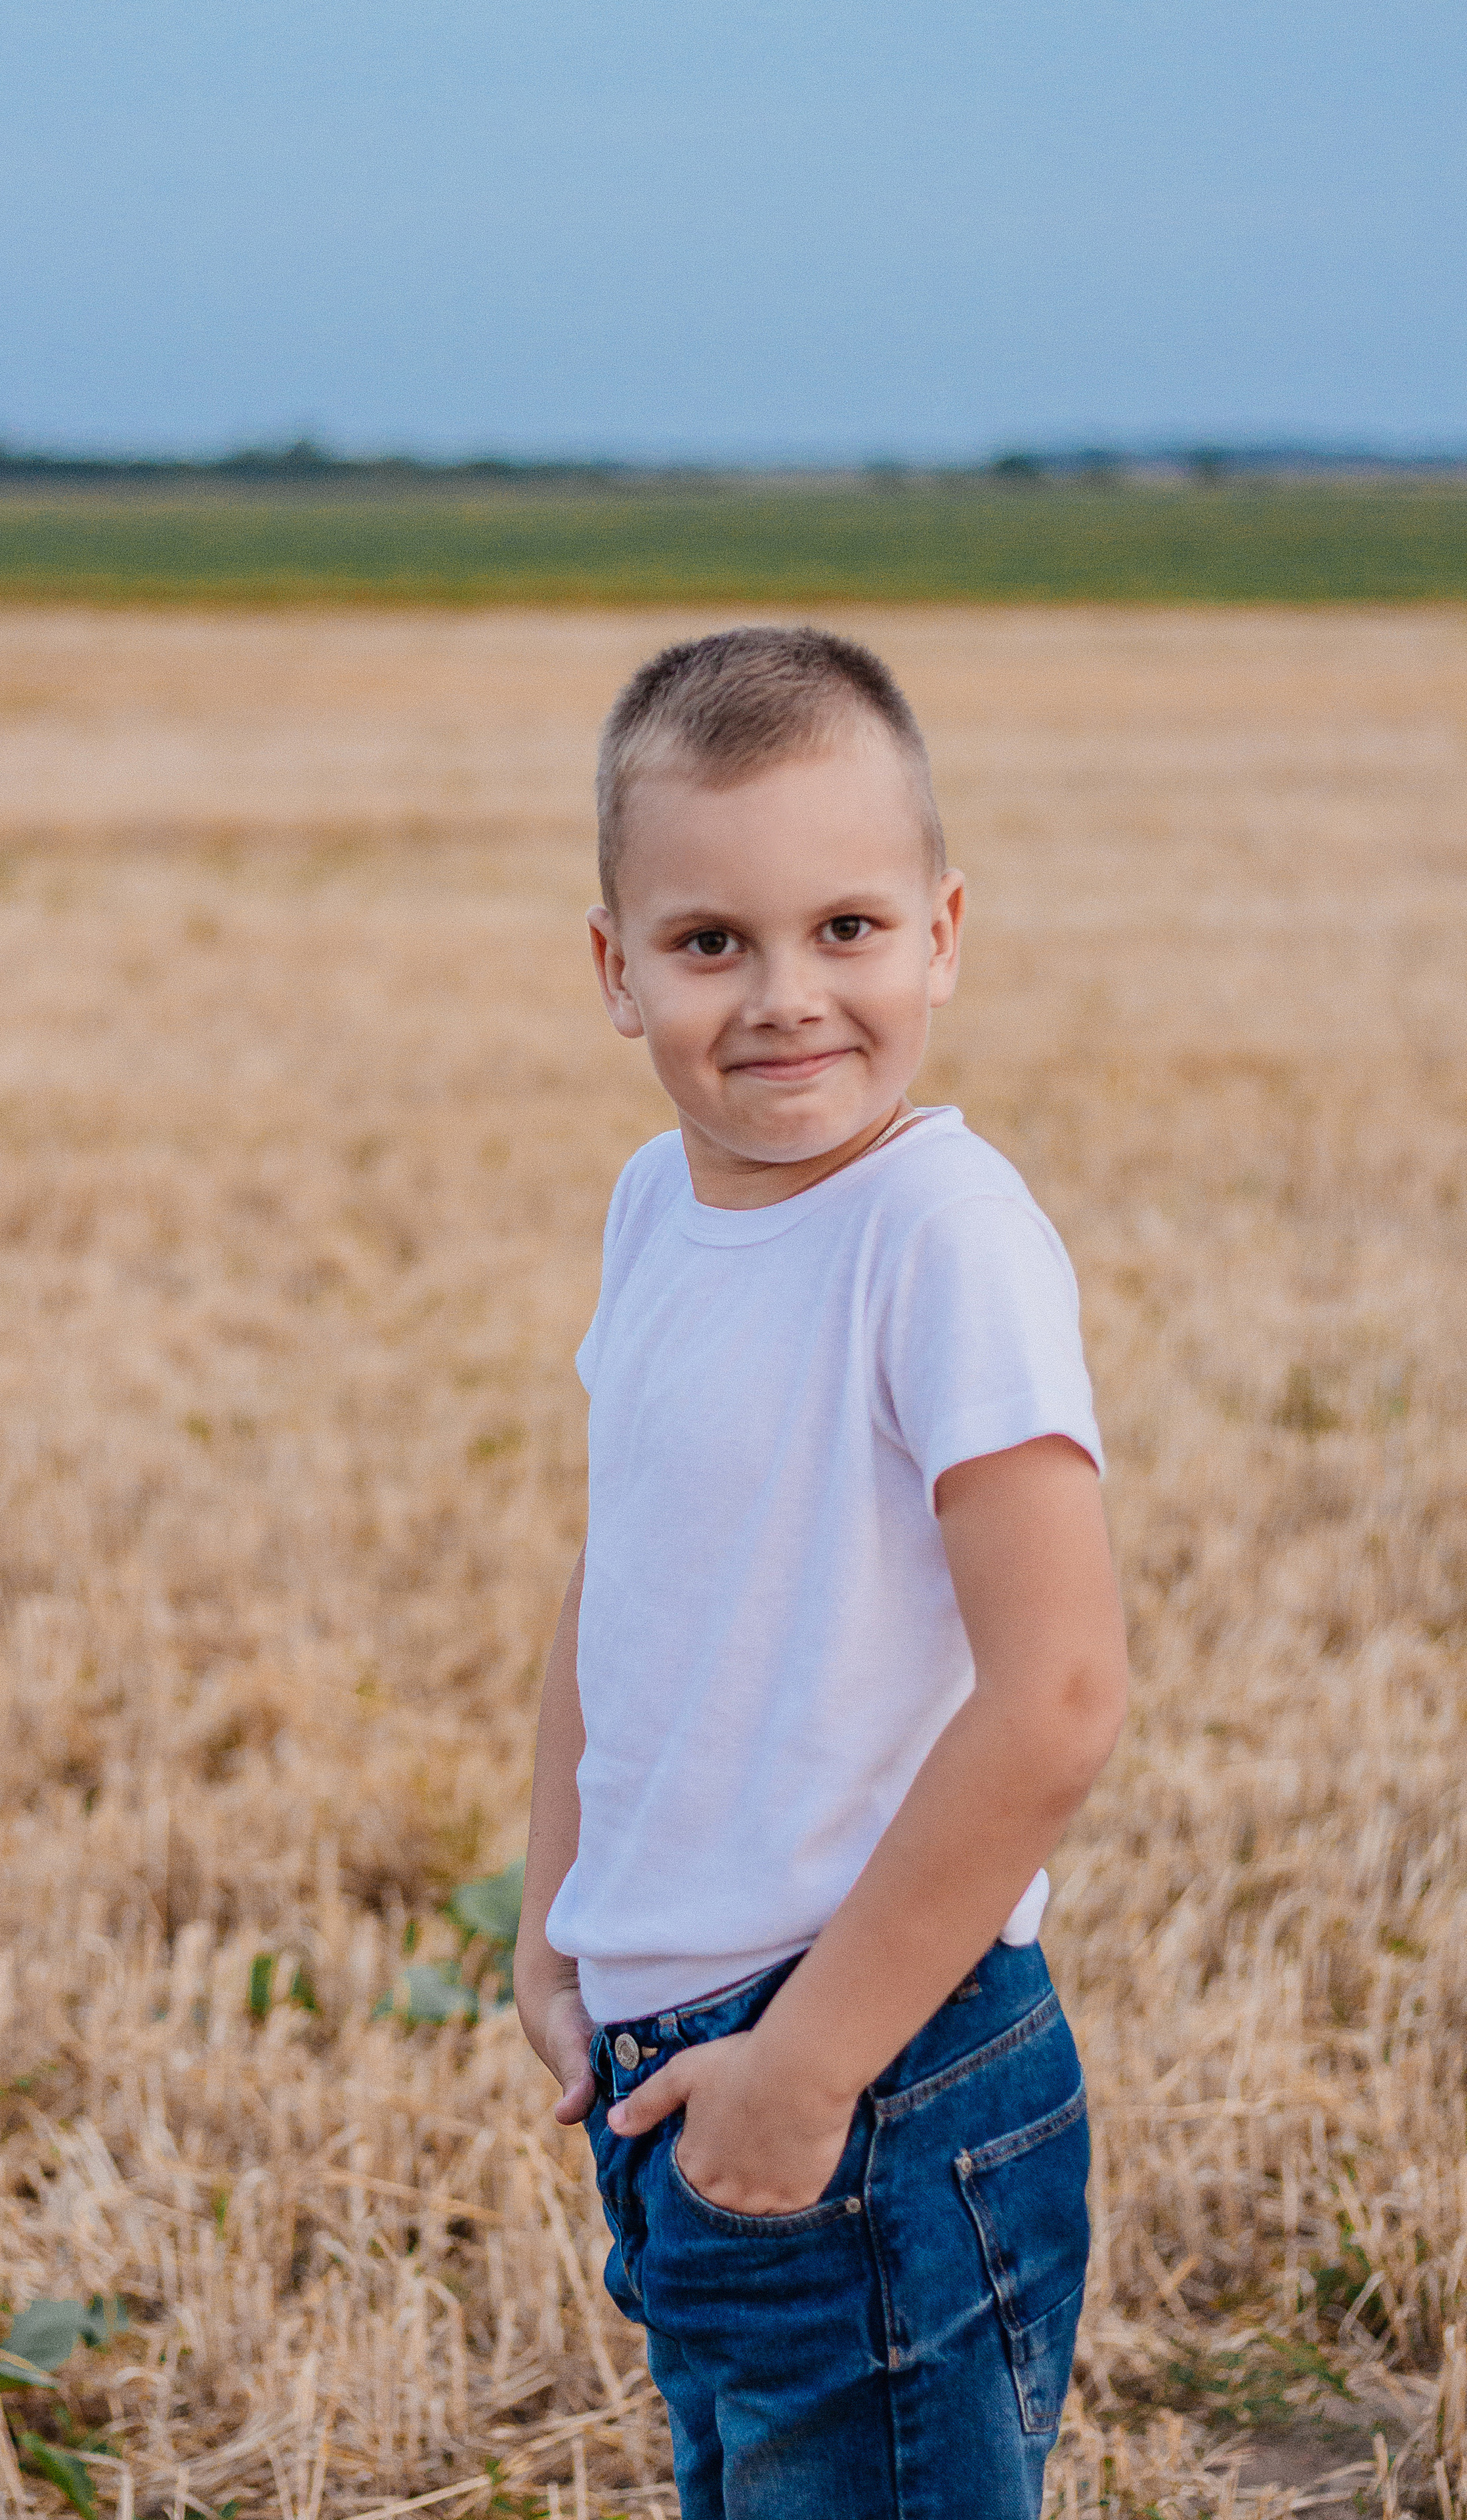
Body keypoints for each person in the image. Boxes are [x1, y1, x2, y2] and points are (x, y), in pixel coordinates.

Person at [514, 627, 1128, 2520]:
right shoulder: (657, 1202)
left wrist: (802, 2074)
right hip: (685, 2069)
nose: (786, 998)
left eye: (847, 929)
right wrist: (557, 1919)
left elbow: (1060, 1699)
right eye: (714, 943)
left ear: (944, 931)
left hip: (878, 2072)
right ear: (618, 971)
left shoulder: (940, 1234)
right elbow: (621, 1580)